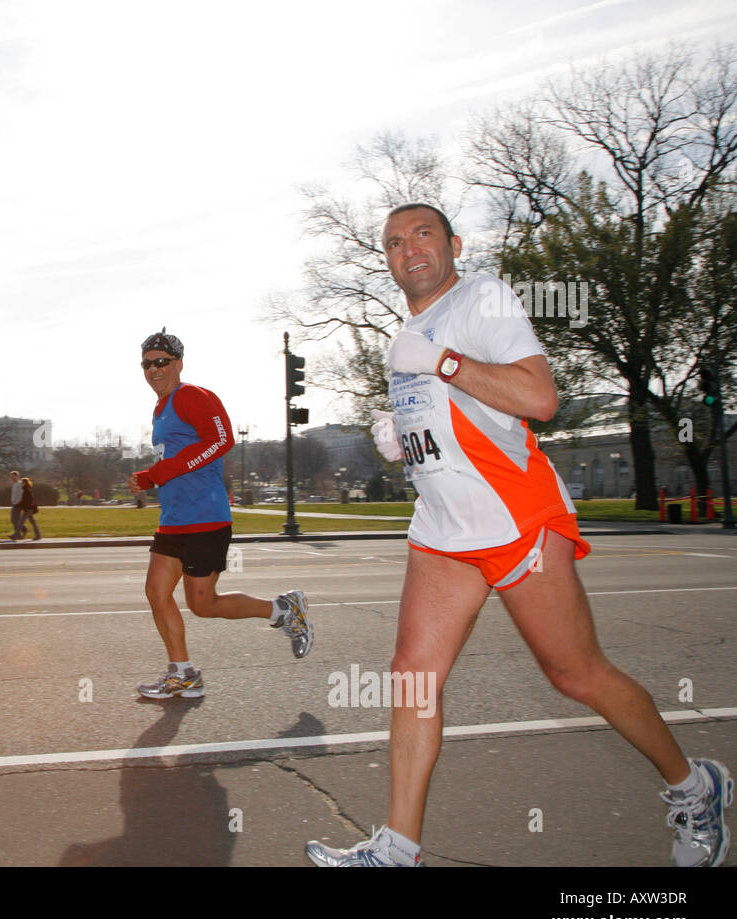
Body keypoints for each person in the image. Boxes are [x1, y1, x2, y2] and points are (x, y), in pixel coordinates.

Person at [305, 203, 732, 867]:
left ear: (453, 244)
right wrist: (404, 435)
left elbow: (539, 399)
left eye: (422, 234)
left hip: (514, 520)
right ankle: (397, 850)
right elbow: (457, 420)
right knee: (413, 677)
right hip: (446, 530)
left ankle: (694, 785)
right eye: (393, 241)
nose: (408, 249)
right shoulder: (410, 332)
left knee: (576, 674)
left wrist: (442, 364)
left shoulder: (484, 298)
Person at [128, 328, 315, 700]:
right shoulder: (161, 409)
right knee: (156, 592)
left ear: (178, 364)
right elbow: (175, 458)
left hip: (205, 519)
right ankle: (182, 673)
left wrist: (160, 473)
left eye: (161, 362)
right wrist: (150, 478)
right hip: (175, 519)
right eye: (147, 364)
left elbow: (221, 439)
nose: (154, 370)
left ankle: (282, 610)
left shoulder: (191, 396)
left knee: (203, 604)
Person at [14, 476, 42, 540]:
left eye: (22, 482)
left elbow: (26, 501)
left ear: (25, 483)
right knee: (33, 523)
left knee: (20, 522)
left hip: (28, 509)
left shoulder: (26, 490)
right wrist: (17, 505)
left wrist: (20, 506)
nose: (21, 483)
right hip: (29, 508)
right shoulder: (26, 490)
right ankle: (38, 535)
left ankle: (16, 534)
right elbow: (25, 501)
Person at [6, 471, 22, 540]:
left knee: (13, 519)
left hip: (17, 504)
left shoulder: (20, 484)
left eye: (13, 476)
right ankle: (18, 534)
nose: (12, 478)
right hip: (14, 504)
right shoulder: (15, 484)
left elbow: (22, 494)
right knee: (16, 520)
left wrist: (18, 502)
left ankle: (19, 533)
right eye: (11, 476)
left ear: (17, 476)